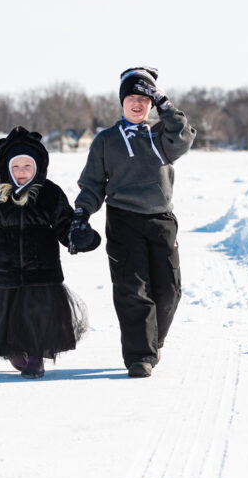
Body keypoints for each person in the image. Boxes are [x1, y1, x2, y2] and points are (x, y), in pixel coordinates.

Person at [68, 67, 196, 378]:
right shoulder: (106, 140)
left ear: (151, 104)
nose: (137, 104)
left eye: (144, 99)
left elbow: (183, 137)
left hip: (161, 218)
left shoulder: (161, 136)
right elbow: (93, 184)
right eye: (131, 98)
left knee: (169, 289)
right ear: (122, 102)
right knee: (132, 289)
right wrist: (82, 214)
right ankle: (140, 356)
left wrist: (165, 103)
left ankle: (154, 340)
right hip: (123, 219)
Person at [0, 126, 98, 378]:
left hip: (41, 274)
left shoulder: (50, 194)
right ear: (6, 168)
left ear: (38, 167)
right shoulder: (0, 198)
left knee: (36, 318)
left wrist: (83, 238)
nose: (20, 173)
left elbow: (65, 227)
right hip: (6, 274)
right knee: (11, 320)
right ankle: (17, 352)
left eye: (26, 167)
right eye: (15, 167)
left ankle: (36, 356)